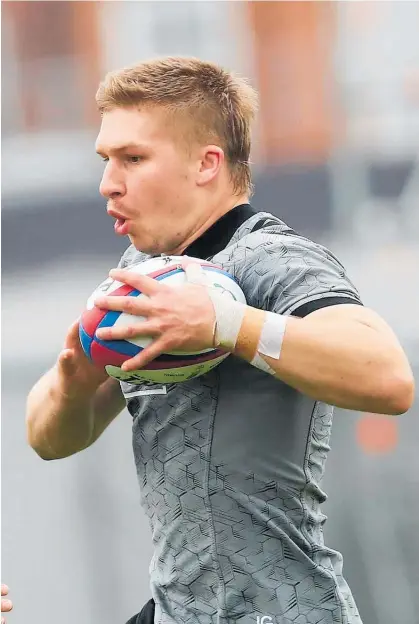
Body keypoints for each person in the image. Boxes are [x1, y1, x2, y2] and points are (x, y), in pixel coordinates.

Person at [26, 57, 415, 624]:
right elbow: (47, 438)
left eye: (133, 158)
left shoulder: (273, 259)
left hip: (284, 611)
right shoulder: (142, 274)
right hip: (179, 611)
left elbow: (389, 377)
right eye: (106, 160)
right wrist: (73, 385)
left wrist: (225, 326)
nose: (108, 182)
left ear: (208, 163)